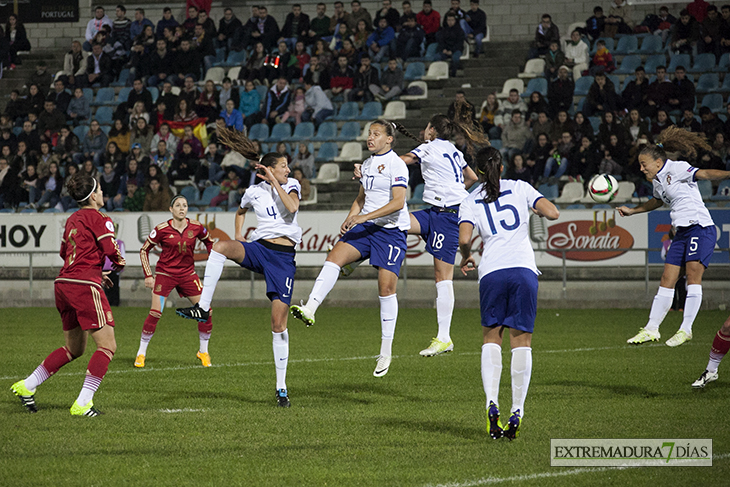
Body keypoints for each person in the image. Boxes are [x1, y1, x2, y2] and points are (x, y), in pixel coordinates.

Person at [177, 123, 302, 408]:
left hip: (282, 259)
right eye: (283, 166)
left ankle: (281, 387)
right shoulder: (253, 191)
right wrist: (238, 235)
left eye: (285, 166)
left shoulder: (291, 185)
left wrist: (274, 179)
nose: (287, 169)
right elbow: (240, 210)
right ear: (270, 167)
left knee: (278, 323)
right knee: (220, 247)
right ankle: (203, 306)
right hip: (259, 249)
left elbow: (292, 208)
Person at [290, 120, 410, 378]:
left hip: (390, 232)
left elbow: (399, 202)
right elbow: (362, 198)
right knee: (334, 257)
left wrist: (363, 218)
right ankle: (310, 307)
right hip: (366, 227)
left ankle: (385, 350)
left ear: (389, 139)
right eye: (369, 133)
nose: (371, 137)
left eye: (376, 134)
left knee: (386, 289)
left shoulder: (397, 164)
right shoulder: (367, 164)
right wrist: (350, 216)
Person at [458, 145, 559, 440]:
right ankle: (517, 409)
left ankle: (492, 405)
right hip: (523, 269)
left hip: (491, 271)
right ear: (502, 168)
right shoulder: (519, 187)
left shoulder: (470, 198)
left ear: (478, 172)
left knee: (492, 339)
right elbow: (552, 213)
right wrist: (533, 208)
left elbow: (465, 238)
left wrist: (466, 256)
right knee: (521, 341)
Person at [11, 172, 126, 416]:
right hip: (83, 284)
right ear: (93, 195)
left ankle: (27, 385)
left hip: (64, 283)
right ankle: (83, 403)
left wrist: (95, 272)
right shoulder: (100, 218)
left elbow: (66, 253)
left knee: (74, 349)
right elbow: (111, 251)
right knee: (107, 346)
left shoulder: (73, 218)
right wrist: (117, 265)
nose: (103, 193)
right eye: (100, 190)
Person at [618, 127, 730, 347]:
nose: (641, 169)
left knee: (692, 278)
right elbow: (657, 201)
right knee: (666, 280)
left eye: (644, 164)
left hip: (700, 227)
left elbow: (705, 174)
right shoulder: (658, 180)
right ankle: (651, 329)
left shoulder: (677, 168)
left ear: (658, 163)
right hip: (682, 233)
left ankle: (685, 329)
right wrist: (633, 210)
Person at [388, 107, 481, 356]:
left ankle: (444, 337)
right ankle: (354, 259)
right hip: (435, 212)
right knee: (395, 220)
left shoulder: (428, 147)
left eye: (427, 127)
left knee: (443, 278)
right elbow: (472, 177)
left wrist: (377, 162)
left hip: (449, 215)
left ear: (432, 130)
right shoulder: (453, 149)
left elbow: (402, 161)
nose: (424, 131)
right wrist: (454, 188)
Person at [135, 194, 214, 367]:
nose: (181, 208)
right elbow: (144, 250)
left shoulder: (196, 227)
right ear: (171, 209)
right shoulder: (161, 229)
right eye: (177, 205)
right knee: (155, 312)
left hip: (187, 274)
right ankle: (141, 354)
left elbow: (210, 243)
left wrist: (213, 261)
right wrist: (149, 275)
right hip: (165, 274)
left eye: (184, 205)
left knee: (205, 311)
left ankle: (203, 352)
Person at [438, 12, 464, 77]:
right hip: (446, 50)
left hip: (456, 50)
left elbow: (459, 43)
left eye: (452, 20)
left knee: (455, 58)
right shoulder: (443, 31)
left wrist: (452, 51)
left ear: (455, 20)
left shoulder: (459, 31)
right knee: (437, 57)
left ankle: (453, 74)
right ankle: (441, 74)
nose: (450, 22)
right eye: (449, 20)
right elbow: (441, 41)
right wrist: (444, 49)